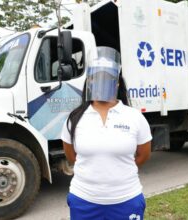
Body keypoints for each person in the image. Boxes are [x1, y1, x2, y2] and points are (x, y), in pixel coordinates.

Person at [61, 47, 152, 220]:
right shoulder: (74, 119)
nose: (102, 81)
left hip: (126, 199)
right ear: (90, 81)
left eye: (108, 77)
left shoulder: (134, 117)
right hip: (84, 201)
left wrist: (119, 170)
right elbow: (72, 156)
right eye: (97, 77)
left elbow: (143, 155)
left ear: (117, 82)